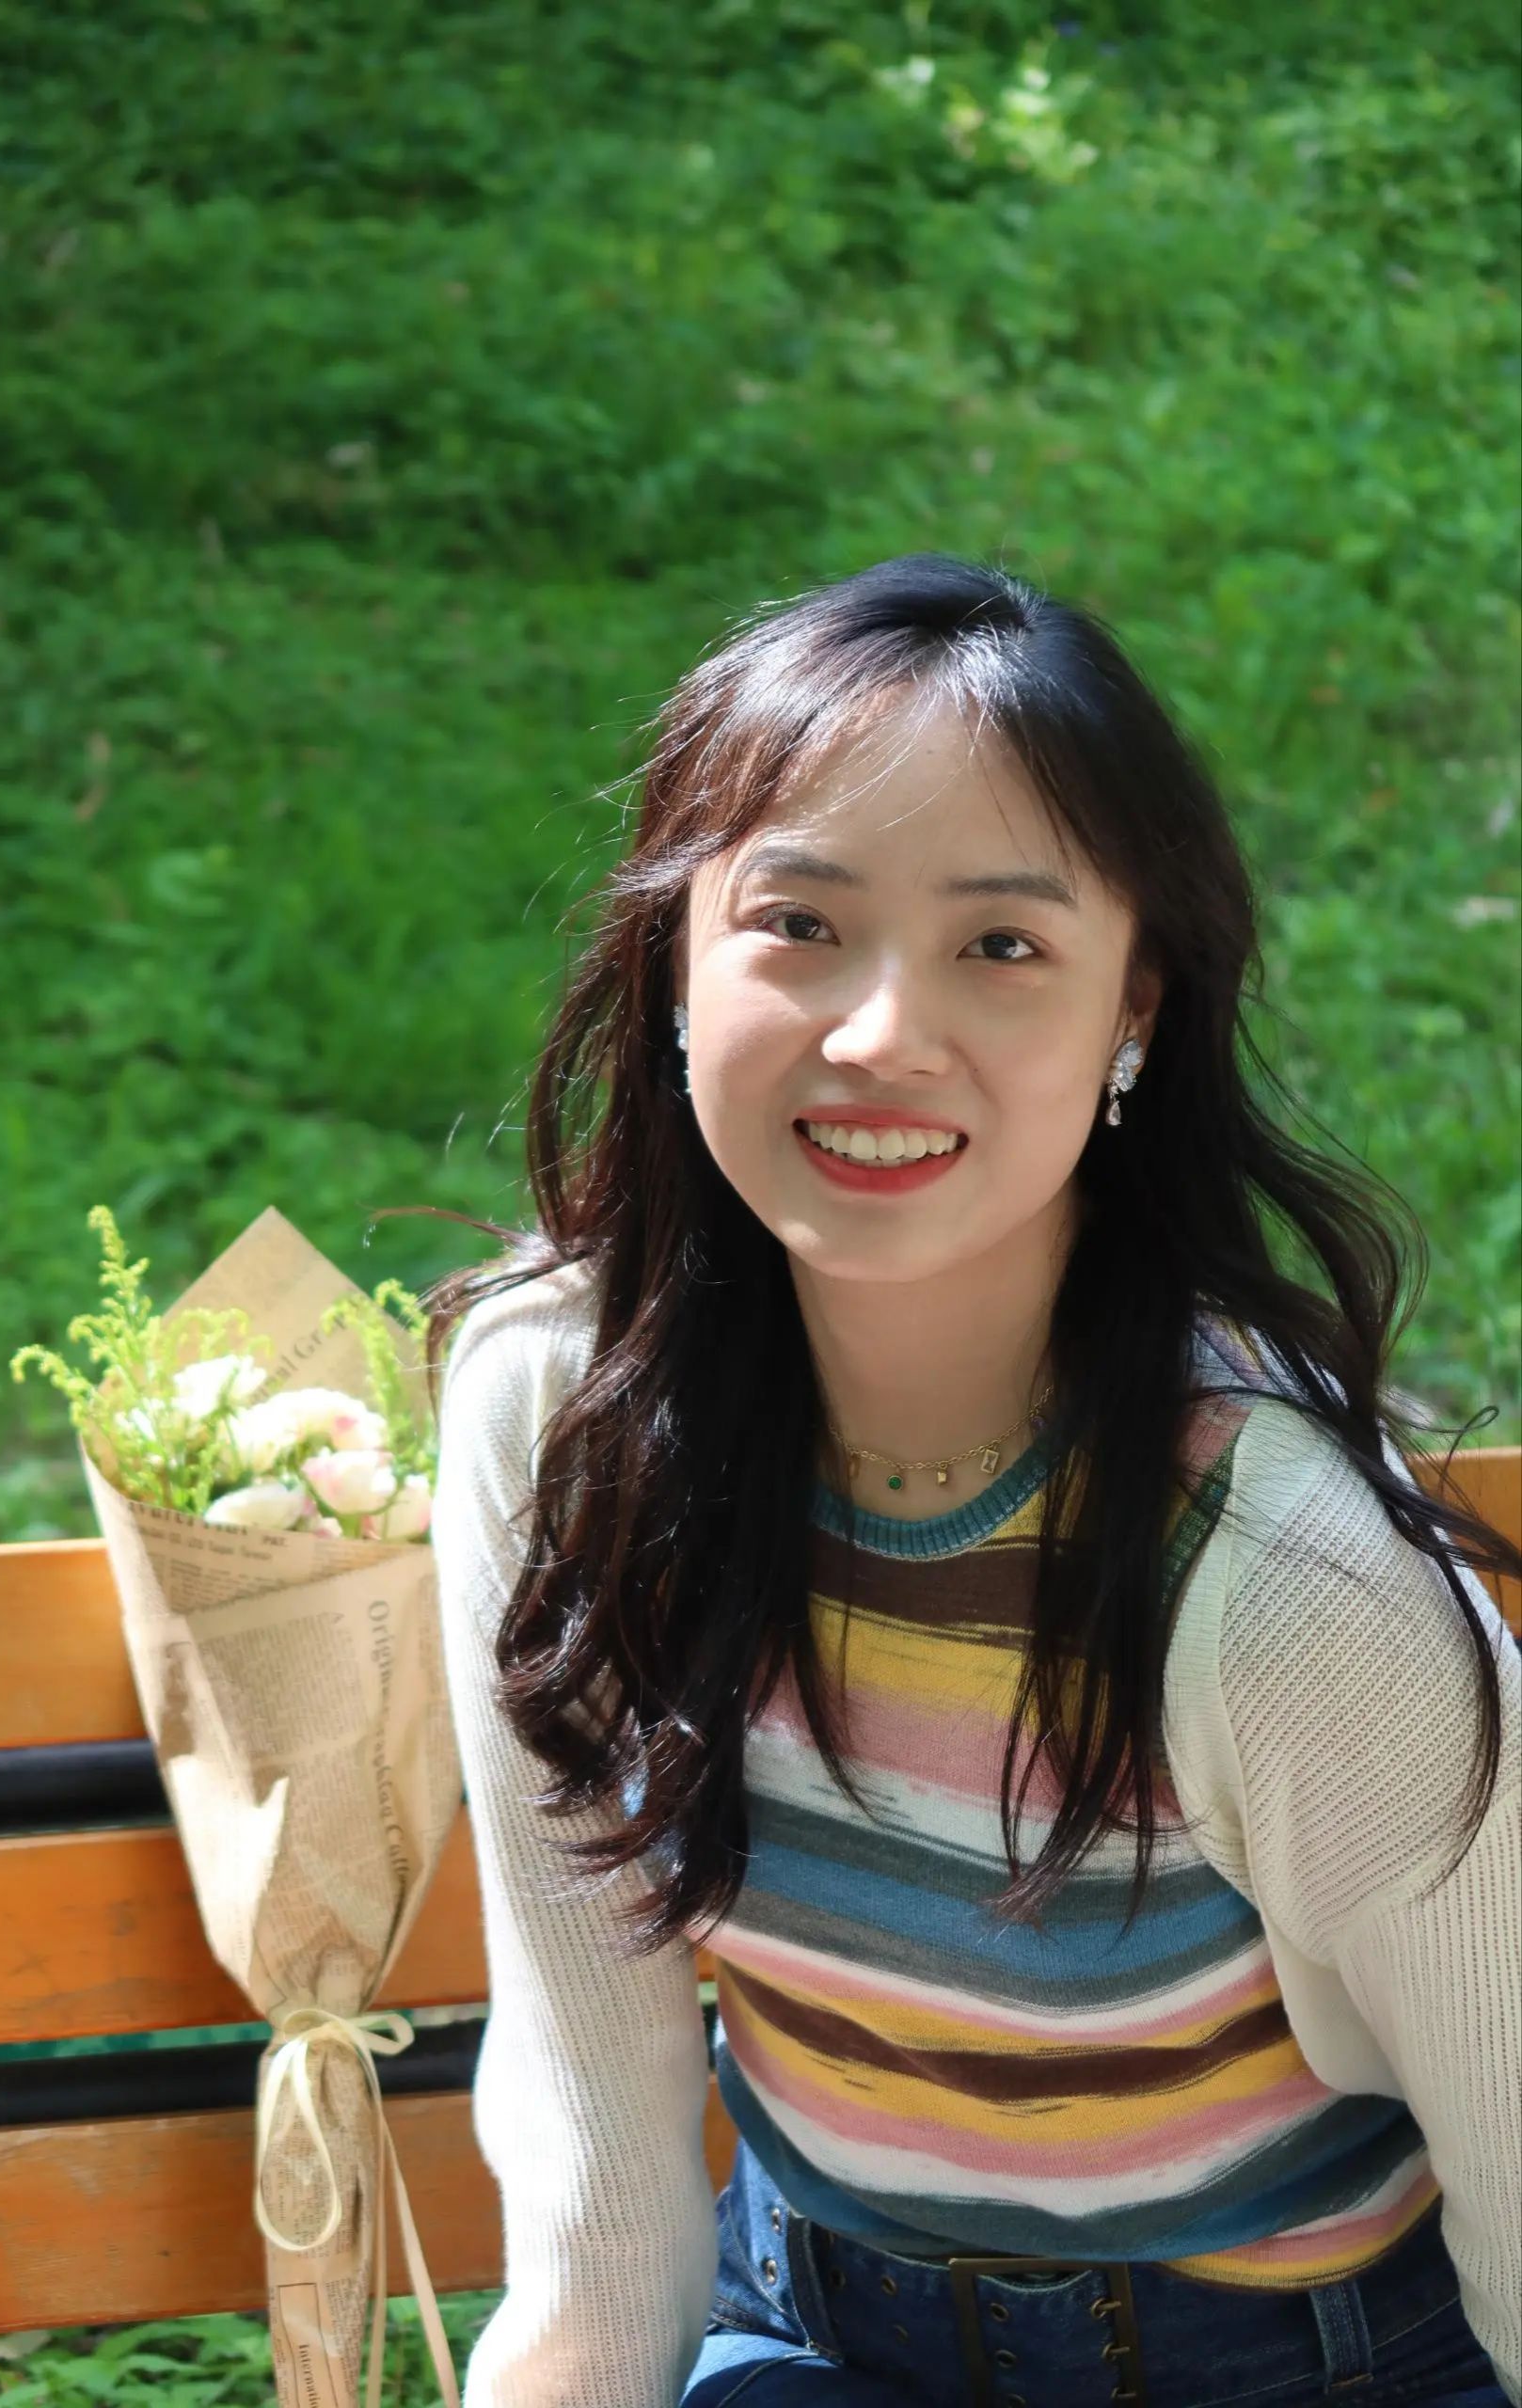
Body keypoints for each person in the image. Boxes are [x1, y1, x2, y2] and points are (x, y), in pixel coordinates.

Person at [413, 555, 1521, 2407]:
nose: (877, 1035)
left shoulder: (1277, 1575)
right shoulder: (560, 1414)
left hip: (1302, 2363)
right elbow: (597, 2167)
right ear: (675, 961)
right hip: (812, 2329)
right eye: (798, 922)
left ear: (1132, 1011)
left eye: (1000, 948)